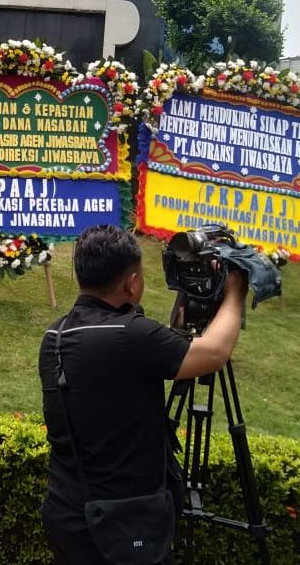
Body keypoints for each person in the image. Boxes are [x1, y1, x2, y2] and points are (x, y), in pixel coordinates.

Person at [38, 225, 246, 564]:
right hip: (122, 525)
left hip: (67, 512)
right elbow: (214, 352)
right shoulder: (132, 336)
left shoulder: (55, 335)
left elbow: (135, 356)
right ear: (132, 283)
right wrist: (235, 290)